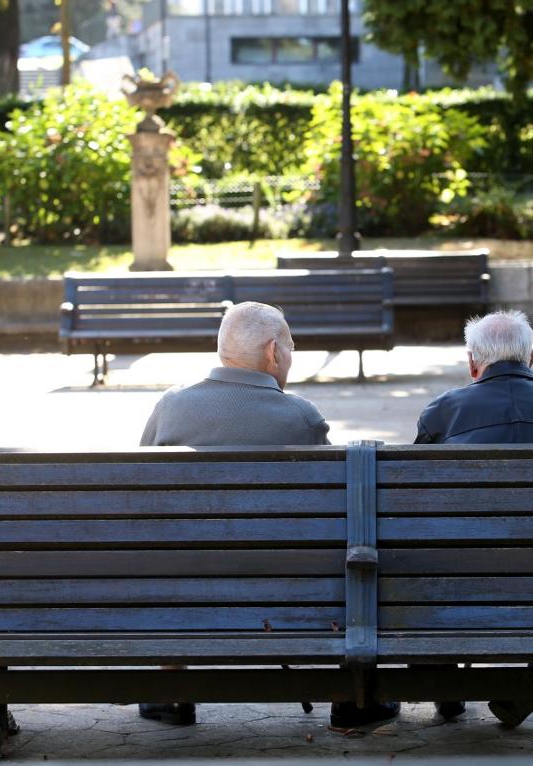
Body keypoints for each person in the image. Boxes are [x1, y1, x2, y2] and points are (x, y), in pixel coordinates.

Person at [138, 301, 399, 729]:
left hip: (183, 590)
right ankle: (351, 695)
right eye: (292, 347)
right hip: (286, 591)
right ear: (274, 353)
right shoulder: (300, 417)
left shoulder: (171, 406)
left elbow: (146, 502)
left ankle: (171, 690)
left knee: (169, 547)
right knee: (357, 552)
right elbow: (333, 515)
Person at [413, 309, 533, 725]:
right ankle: (519, 696)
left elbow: (417, 507)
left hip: (460, 581)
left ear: (472, 363)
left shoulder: (440, 414)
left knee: (415, 567)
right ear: (531, 358)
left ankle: (447, 688)